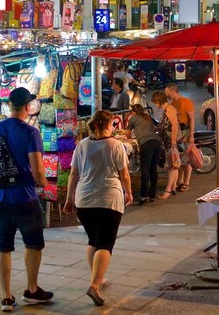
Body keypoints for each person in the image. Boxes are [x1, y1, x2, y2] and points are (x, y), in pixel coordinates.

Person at [0, 87, 53, 311]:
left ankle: (6, 297)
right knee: (33, 244)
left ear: (9, 105)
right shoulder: (30, 133)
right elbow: (37, 170)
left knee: (3, 246)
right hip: (24, 197)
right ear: (28, 107)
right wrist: (44, 184)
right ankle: (32, 289)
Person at [62, 110, 133, 307]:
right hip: (108, 200)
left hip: (83, 201)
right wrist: (129, 192)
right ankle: (94, 285)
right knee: (105, 244)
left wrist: (69, 199)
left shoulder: (82, 145)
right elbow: (124, 174)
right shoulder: (116, 145)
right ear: (108, 125)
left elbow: (73, 175)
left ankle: (98, 278)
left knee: (93, 240)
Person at [125, 103, 162, 204]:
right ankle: (152, 195)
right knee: (153, 168)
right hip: (156, 142)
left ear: (133, 112)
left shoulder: (133, 118)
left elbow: (127, 134)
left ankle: (144, 195)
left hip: (146, 143)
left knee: (145, 169)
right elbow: (157, 125)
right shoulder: (147, 116)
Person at [164, 84, 195, 192]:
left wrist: (191, 135)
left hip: (185, 131)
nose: (166, 94)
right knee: (180, 158)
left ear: (173, 91)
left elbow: (192, 119)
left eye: (167, 92)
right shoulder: (172, 103)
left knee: (187, 158)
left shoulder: (186, 102)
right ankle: (180, 181)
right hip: (178, 133)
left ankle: (186, 182)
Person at [152, 91, 182, 200]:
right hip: (168, 140)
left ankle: (168, 190)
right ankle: (173, 188)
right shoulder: (167, 109)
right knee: (174, 164)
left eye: (155, 102)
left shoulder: (169, 109)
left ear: (159, 101)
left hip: (170, 141)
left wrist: (173, 140)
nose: (155, 105)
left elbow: (174, 124)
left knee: (171, 166)